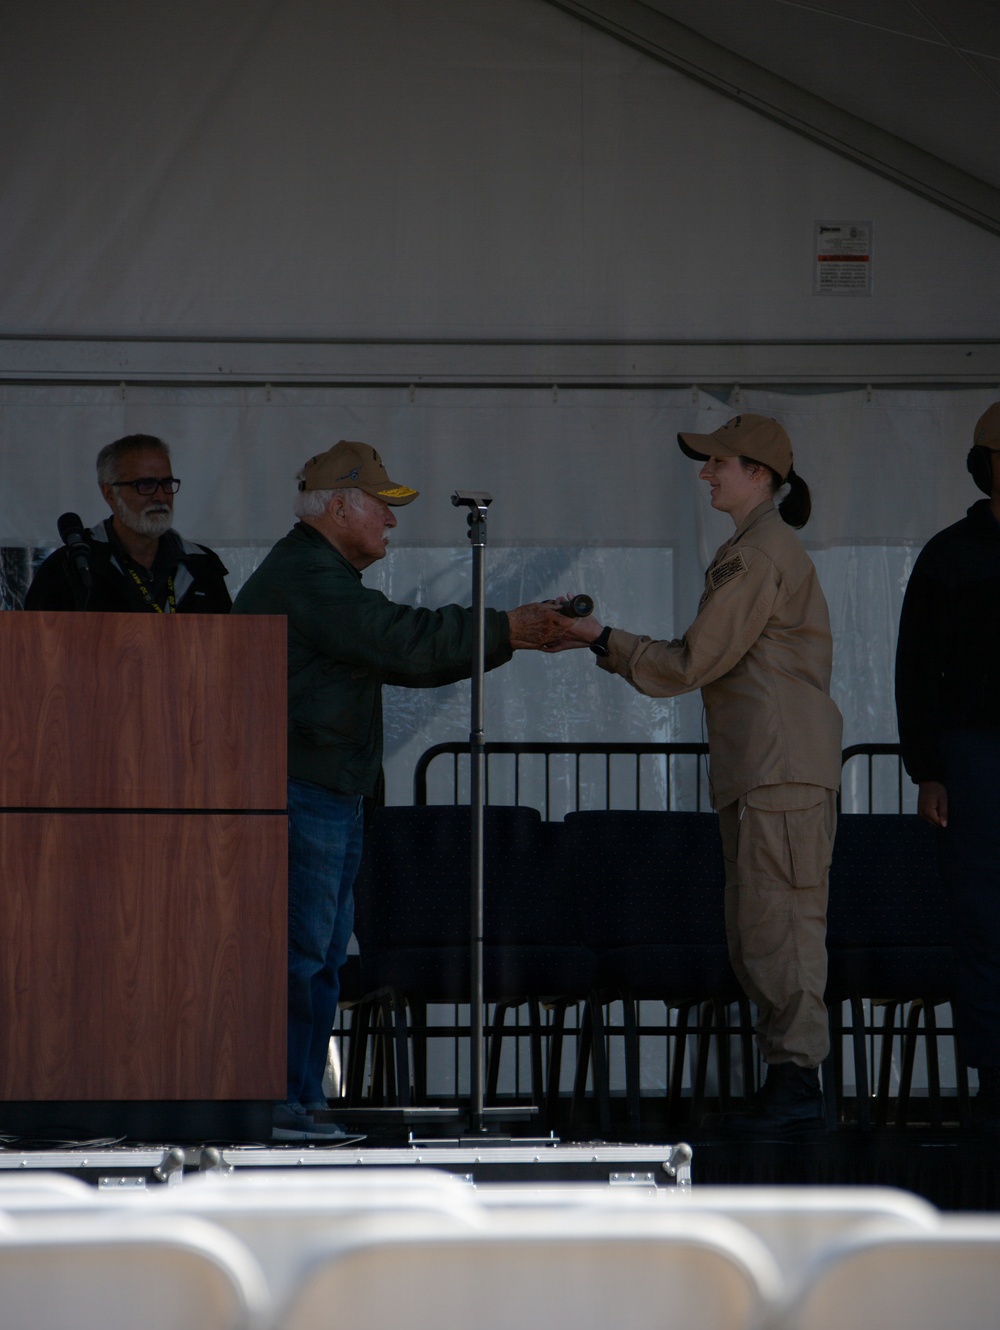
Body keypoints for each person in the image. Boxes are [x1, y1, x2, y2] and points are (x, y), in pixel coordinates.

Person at [232, 439, 574, 1142]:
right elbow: (401, 643)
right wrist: (507, 629)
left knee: (319, 956)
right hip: (305, 790)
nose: (392, 523)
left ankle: (294, 1104)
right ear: (335, 508)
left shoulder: (314, 574)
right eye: (380, 507)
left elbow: (396, 643)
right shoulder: (305, 577)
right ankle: (281, 1107)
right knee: (303, 956)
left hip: (325, 789)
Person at [549, 414, 843, 1137]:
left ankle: (799, 1086)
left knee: (780, 929)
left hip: (776, 769)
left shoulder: (760, 553)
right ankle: (791, 1083)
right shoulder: (754, 549)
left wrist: (601, 638)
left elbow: (690, 664)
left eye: (720, 462)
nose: (707, 473)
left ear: (760, 475)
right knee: (762, 928)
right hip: (767, 767)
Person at [895, 401, 1000, 1129]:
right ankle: (996, 1084)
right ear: (986, 465)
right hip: (974, 759)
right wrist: (928, 769)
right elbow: (915, 671)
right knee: (985, 923)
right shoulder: (948, 557)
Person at [24, 433, 231, 613]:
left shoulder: (202, 566)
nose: (160, 496)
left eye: (166, 483)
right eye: (145, 484)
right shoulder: (70, 568)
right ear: (109, 494)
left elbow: (228, 647)